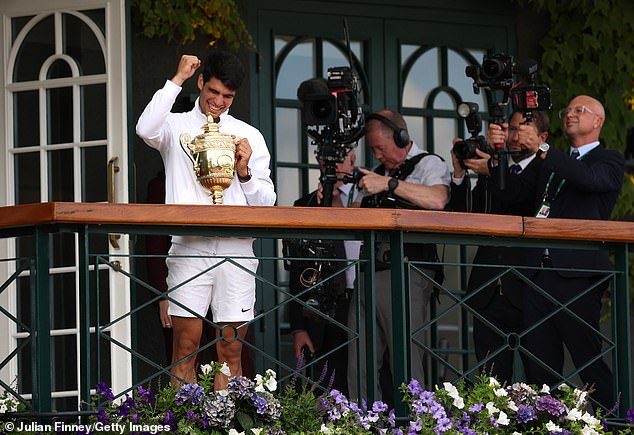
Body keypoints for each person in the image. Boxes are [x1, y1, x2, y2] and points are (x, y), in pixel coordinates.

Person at [136, 51, 276, 389]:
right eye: (213, 92)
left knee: (231, 349)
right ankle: (182, 424)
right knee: (185, 348)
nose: (218, 102)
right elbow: (144, 128)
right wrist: (176, 78)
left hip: (236, 250)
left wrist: (244, 173)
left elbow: (266, 203)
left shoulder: (249, 135)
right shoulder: (175, 124)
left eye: (227, 96)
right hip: (189, 248)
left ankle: (227, 423)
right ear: (201, 83)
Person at [489, 95, 625, 409]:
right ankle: (546, 425)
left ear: (598, 122)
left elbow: (588, 180)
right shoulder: (549, 160)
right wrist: (497, 156)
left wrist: (543, 149)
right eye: (568, 110)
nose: (570, 115)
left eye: (580, 110)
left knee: (587, 358)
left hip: (577, 275)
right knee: (540, 362)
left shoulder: (609, 160)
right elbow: (513, 196)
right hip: (538, 273)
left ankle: (615, 421)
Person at [347, 110, 451, 400]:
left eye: (381, 147)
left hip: (407, 269)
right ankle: (361, 419)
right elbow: (351, 220)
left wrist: (390, 185)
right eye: (373, 150)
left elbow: (438, 199)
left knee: (405, 356)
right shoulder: (376, 174)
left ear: (402, 137)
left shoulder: (429, 163)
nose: (378, 155)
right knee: (360, 357)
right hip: (368, 268)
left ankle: (416, 420)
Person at [449, 111, 549, 384]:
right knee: (491, 381)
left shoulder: (546, 164)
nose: (513, 137)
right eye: (510, 130)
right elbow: (464, 215)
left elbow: (523, 197)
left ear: (542, 137)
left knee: (539, 377)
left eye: (519, 130)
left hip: (531, 286)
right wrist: (459, 173)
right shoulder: (494, 166)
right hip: (488, 288)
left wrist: (494, 167)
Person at [288, 152, 360, 395]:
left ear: (353, 159)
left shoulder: (367, 197)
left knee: (368, 373)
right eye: (329, 159)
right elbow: (297, 271)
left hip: (363, 297)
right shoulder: (305, 205)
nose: (334, 164)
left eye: (340, 158)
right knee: (325, 383)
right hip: (323, 306)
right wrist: (297, 327)